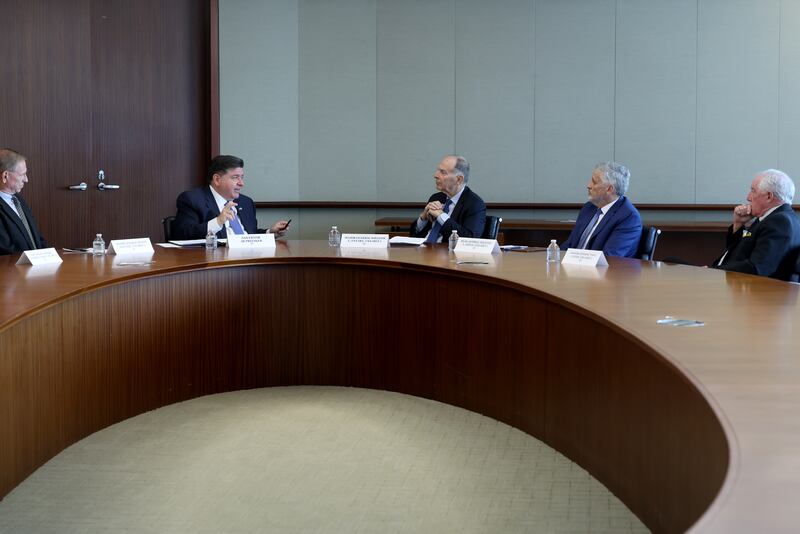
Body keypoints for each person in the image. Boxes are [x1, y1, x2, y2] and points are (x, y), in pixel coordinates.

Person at [172, 155, 289, 240]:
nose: (241, 183)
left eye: (242, 177)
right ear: (217, 179)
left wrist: (270, 233)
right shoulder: (192, 200)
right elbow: (181, 235)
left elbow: (248, 236)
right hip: (216, 262)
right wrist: (218, 222)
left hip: (249, 259)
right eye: (235, 177)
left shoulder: (246, 202)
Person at [711, 169, 800, 280]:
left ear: (769, 196)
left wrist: (715, 271)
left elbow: (756, 268)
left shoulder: (779, 222)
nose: (748, 197)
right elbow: (737, 253)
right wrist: (739, 224)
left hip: (751, 287)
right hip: (734, 281)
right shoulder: (772, 217)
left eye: (753, 191)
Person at [561, 162, 642, 257]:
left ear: (609, 189)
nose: (588, 185)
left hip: (602, 266)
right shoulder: (588, 207)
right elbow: (569, 245)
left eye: (594, 182)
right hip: (573, 264)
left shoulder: (629, 217)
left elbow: (610, 257)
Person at [409, 155, 486, 242]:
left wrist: (441, 216)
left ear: (459, 179)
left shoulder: (475, 204)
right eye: (438, 170)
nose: (435, 175)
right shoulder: (436, 197)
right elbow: (414, 234)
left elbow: (469, 239)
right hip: (423, 248)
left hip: (447, 250)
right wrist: (423, 218)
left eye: (443, 172)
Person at [0, 148, 49, 255]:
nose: (26, 179)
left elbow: (35, 236)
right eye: (22, 174)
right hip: (15, 265)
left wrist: (49, 256)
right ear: (5, 176)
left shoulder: (17, 199)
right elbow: (6, 250)